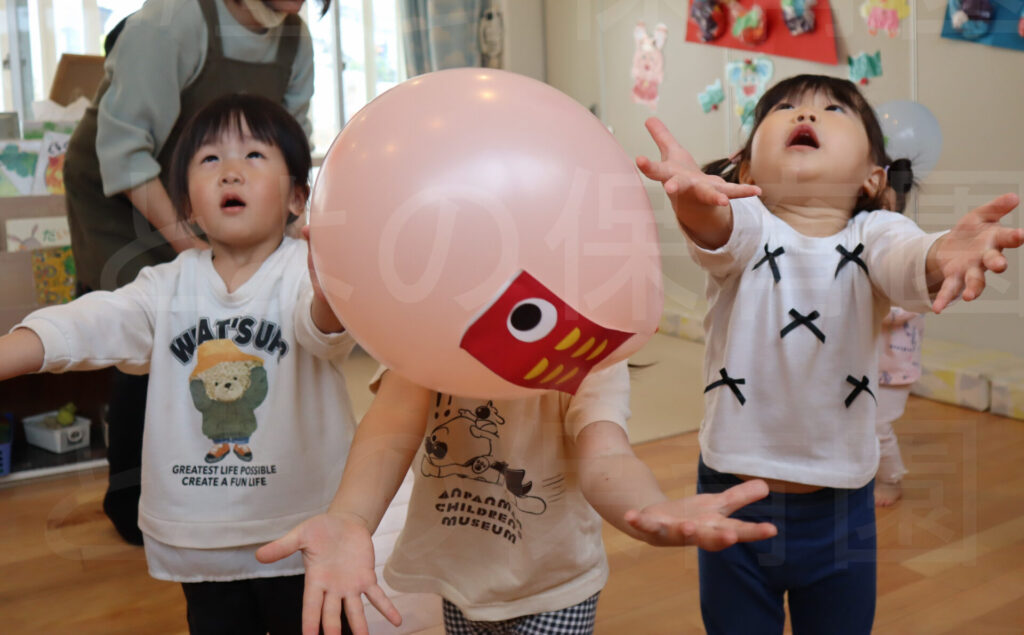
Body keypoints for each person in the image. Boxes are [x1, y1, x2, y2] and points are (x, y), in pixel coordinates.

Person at [635, 74, 1022, 635]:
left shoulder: (877, 232)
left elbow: (907, 260)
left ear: (873, 176)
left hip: (842, 505)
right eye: (785, 107)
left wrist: (944, 252)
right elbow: (717, 228)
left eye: (834, 109)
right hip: (733, 494)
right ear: (748, 171)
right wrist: (695, 202)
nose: (806, 115)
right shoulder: (751, 224)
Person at [1, 94, 358, 635]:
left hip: (306, 532)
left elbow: (322, 331)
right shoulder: (165, 286)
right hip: (200, 540)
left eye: (255, 155)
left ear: (296, 197)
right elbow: (90, 322)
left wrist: (334, 287)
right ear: (188, 206)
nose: (230, 171)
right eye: (210, 159)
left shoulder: (303, 274)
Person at [62, 0, 334, 545]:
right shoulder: (174, 19)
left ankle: (226, 479)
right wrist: (192, 246)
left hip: (214, 191)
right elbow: (126, 150)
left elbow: (288, 144)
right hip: (125, 192)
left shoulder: (295, 39)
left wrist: (287, 230)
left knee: (229, 333)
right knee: (153, 334)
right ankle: (132, 501)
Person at [256, 363, 779, 635]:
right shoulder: (427, 332)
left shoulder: (586, 353)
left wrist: (647, 507)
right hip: (462, 575)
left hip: (554, 583)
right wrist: (350, 516)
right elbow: (391, 422)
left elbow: (605, 454)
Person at [874, 158, 924, 507]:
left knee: (876, 427)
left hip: (893, 364)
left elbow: (910, 303)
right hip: (862, 361)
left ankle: (890, 479)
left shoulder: (907, 244)